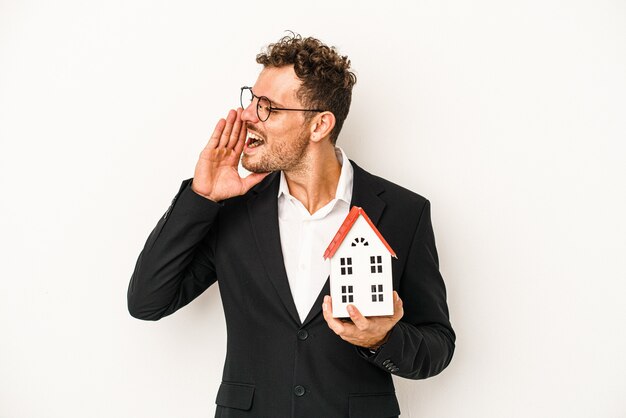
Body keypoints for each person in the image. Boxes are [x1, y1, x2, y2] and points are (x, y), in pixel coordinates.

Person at [128, 33, 455, 418]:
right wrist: (202, 197)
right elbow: (147, 302)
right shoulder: (233, 209)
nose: (249, 115)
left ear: (319, 125)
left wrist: (382, 338)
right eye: (251, 99)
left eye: (269, 108)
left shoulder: (403, 211)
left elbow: (437, 345)